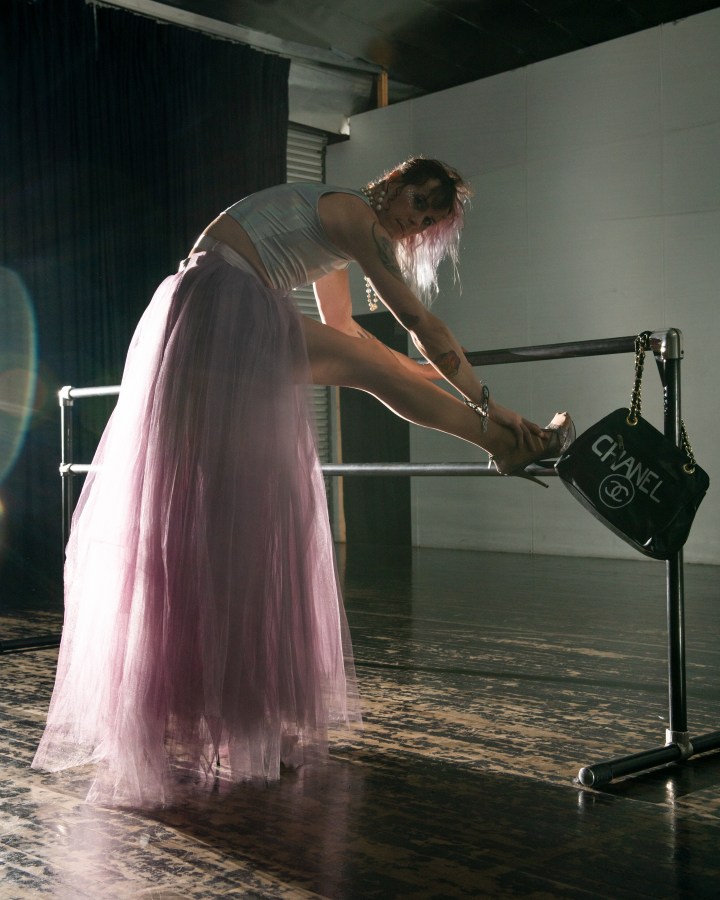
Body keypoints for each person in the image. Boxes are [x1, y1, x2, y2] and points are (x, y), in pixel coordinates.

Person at [32, 157, 573, 808]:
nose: (417, 218)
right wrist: (487, 399)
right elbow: (419, 323)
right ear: (395, 183)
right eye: (419, 201)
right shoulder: (355, 217)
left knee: (375, 374)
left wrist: (406, 366)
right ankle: (508, 441)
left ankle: (502, 440)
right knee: (385, 372)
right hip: (221, 303)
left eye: (429, 218)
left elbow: (347, 332)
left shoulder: (339, 220)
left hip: (201, 307)